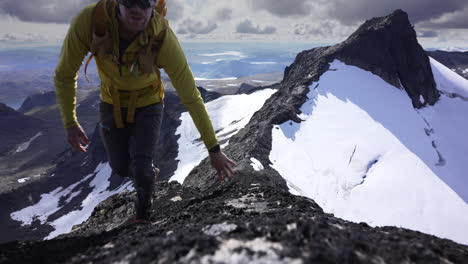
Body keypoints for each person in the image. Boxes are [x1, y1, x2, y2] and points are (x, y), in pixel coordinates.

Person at [54, 0, 236, 222]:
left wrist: (214, 150)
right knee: (120, 167)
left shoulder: (162, 37)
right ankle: (147, 174)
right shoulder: (91, 22)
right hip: (111, 102)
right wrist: (69, 122)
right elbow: (65, 73)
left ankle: (143, 216)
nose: (137, 9)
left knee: (142, 166)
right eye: (130, 0)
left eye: (145, 1)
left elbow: (191, 96)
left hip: (149, 103)